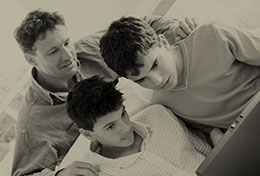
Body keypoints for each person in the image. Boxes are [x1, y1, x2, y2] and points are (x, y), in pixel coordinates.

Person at [12, 9, 198, 176]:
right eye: (53, 52)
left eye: (67, 43)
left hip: (166, 134)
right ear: (31, 59)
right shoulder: (32, 120)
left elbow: (144, 26)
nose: (68, 55)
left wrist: (175, 29)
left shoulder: (90, 47)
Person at [99, 16, 260, 134]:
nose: (157, 81)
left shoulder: (212, 35)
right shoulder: (162, 103)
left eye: (155, 64)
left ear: (162, 42)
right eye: (141, 80)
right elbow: (209, 131)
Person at [65, 75, 211, 176]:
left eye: (123, 114)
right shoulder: (95, 172)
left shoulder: (158, 114)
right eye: (110, 126)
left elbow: (207, 153)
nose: (125, 128)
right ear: (88, 134)